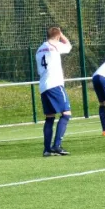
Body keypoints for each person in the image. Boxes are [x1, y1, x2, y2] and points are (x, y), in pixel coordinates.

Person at [35, 27, 72, 157]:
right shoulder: (55, 45)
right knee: (66, 114)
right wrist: (62, 35)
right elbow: (68, 46)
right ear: (57, 36)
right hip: (55, 84)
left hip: (43, 86)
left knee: (50, 117)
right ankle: (56, 146)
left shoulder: (39, 49)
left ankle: (46, 149)